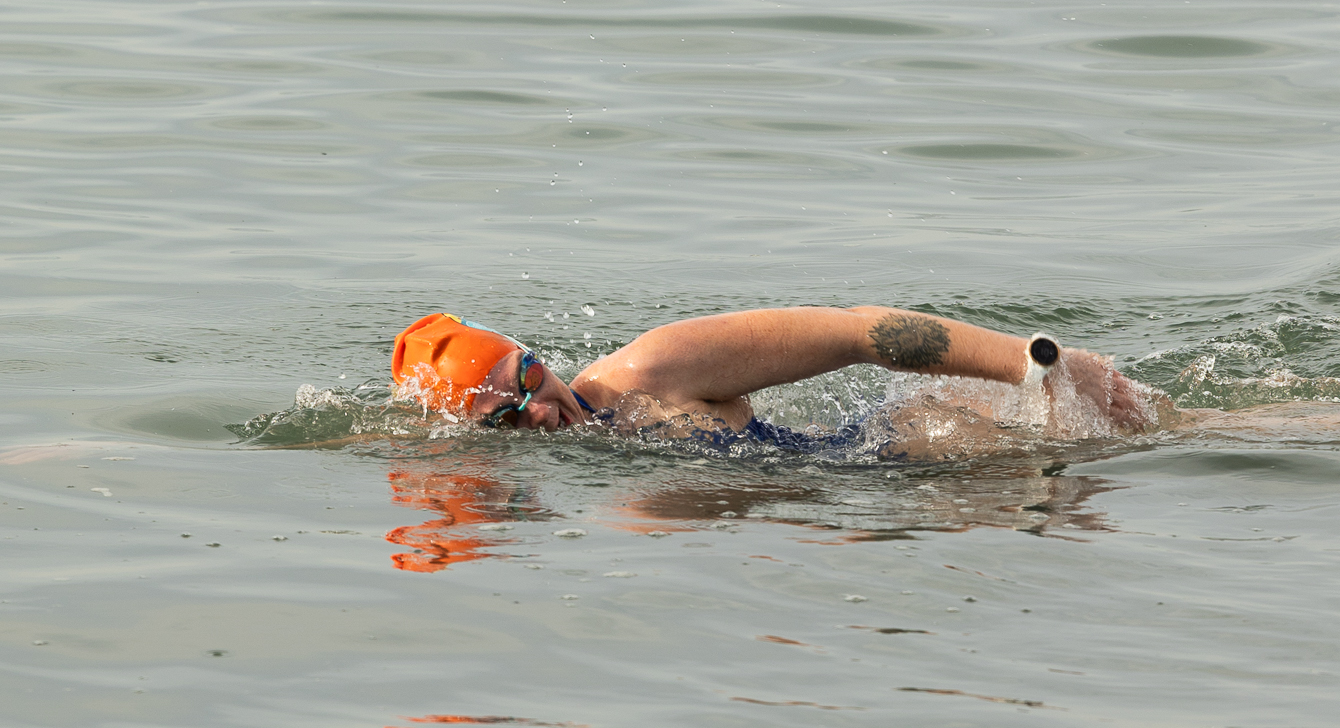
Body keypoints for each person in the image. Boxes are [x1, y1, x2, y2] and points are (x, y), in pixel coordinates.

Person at [390, 306, 1162, 456]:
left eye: (527, 375)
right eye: (504, 417)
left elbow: (863, 332)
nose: (537, 410)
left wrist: (1035, 366)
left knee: (1162, 439)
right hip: (859, 512)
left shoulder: (651, 370)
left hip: (912, 441)